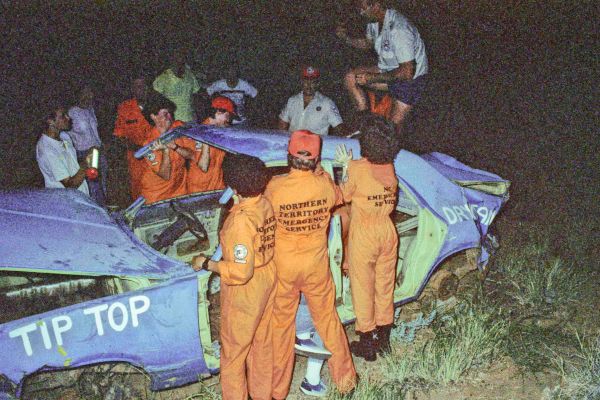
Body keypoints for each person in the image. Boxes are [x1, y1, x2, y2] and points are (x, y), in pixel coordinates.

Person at [264, 130, 357, 398]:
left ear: (288, 156)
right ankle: (346, 382)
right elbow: (341, 197)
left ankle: (276, 390)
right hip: (316, 265)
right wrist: (328, 171)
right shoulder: (324, 186)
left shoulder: (275, 187)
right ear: (316, 160)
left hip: (284, 266)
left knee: (281, 327)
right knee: (328, 320)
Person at [192, 154, 276, 400]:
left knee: (233, 353)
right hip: (267, 277)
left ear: (234, 186)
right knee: (261, 344)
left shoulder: (240, 221)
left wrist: (207, 263)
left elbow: (240, 271)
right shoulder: (264, 204)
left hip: (246, 289)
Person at [335, 115, 400, 361]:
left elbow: (343, 195)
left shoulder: (358, 169)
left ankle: (367, 342)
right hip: (387, 230)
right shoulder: (390, 167)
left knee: (362, 287)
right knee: (385, 286)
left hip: (365, 234)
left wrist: (345, 167)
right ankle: (384, 340)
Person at [336, 0, 428, 132]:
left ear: (376, 5)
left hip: (410, 81)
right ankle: (363, 124)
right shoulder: (373, 22)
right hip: (388, 69)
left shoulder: (399, 29)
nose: (360, 13)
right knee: (350, 78)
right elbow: (367, 44)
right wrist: (345, 38)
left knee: (392, 131)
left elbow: (407, 72)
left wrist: (373, 78)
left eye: (362, 8)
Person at [138, 92, 194, 204]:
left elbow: (192, 155)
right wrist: (166, 150)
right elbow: (165, 175)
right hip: (156, 195)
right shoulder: (149, 143)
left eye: (170, 113)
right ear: (153, 117)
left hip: (179, 190)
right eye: (165, 114)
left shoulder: (178, 127)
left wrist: (175, 146)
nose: (170, 117)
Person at [187, 96, 237, 194]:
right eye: (227, 116)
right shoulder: (200, 133)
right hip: (201, 189)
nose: (229, 121)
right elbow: (203, 167)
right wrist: (207, 141)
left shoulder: (219, 131)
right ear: (218, 112)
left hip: (217, 184)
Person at [36, 105, 90, 196]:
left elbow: (72, 165)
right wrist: (86, 163)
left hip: (81, 197)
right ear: (50, 121)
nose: (68, 117)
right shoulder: (46, 149)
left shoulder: (64, 137)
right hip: (66, 201)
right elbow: (70, 185)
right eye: (63, 116)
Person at [67, 84, 107, 206]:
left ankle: (103, 210)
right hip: (85, 154)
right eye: (86, 93)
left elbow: (95, 132)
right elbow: (67, 135)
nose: (90, 96)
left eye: (90, 93)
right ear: (79, 95)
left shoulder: (91, 110)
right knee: (92, 186)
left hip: (98, 152)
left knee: (102, 184)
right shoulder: (72, 112)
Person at [278, 66, 346, 136]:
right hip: (293, 144)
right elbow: (282, 124)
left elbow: (339, 128)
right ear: (301, 82)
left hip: (315, 145)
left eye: (312, 82)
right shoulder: (292, 101)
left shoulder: (327, 103)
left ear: (317, 83)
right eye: (306, 81)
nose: (309, 85)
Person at [113, 76, 152, 200]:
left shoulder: (158, 105)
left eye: (144, 86)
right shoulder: (125, 108)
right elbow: (119, 136)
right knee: (138, 194)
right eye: (138, 87)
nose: (142, 90)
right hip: (136, 160)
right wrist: (136, 148)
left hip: (157, 156)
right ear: (132, 89)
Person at [153, 48, 201, 122]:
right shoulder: (163, 78)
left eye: (182, 56)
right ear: (171, 58)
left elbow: (195, 95)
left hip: (190, 121)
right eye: (177, 56)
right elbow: (155, 100)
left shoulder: (190, 75)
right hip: (172, 122)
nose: (180, 58)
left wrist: (196, 114)